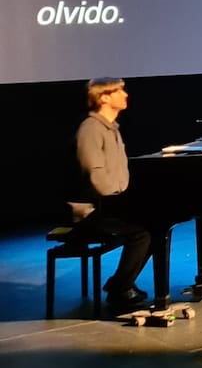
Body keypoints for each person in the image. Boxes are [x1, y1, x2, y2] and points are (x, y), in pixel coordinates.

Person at [70, 77, 152, 314]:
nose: (125, 95)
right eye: (119, 91)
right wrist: (120, 202)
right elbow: (95, 175)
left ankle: (122, 283)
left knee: (155, 227)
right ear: (104, 97)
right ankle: (120, 288)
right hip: (91, 212)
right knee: (143, 231)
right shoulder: (90, 130)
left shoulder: (111, 129)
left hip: (110, 206)